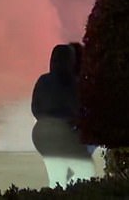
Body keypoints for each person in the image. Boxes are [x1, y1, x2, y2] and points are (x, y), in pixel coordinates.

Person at [31, 44, 95, 188]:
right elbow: (79, 110)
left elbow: (35, 108)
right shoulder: (74, 83)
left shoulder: (43, 80)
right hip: (62, 132)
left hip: (40, 132)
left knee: (57, 174)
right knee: (85, 171)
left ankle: (58, 191)